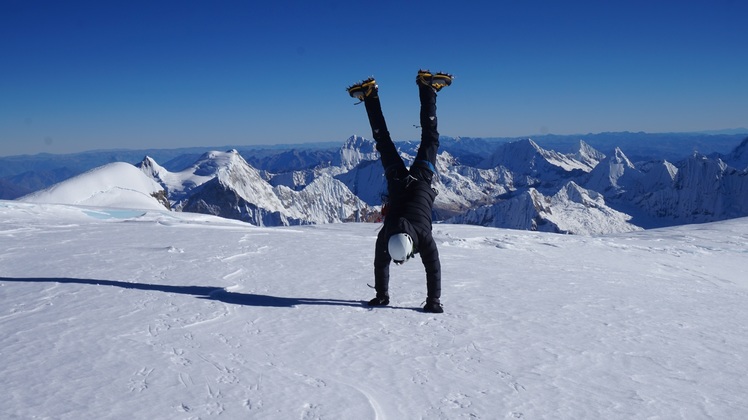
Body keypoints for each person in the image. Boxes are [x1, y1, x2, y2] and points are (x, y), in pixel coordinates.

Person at [347, 69, 453, 313]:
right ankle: (370, 95)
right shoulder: (388, 235)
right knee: (383, 142)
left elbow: (433, 269)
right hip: (396, 180)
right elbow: (383, 264)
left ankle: (427, 89)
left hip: (421, 178)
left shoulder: (420, 238)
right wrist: (382, 294)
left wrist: (432, 301)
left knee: (430, 140)